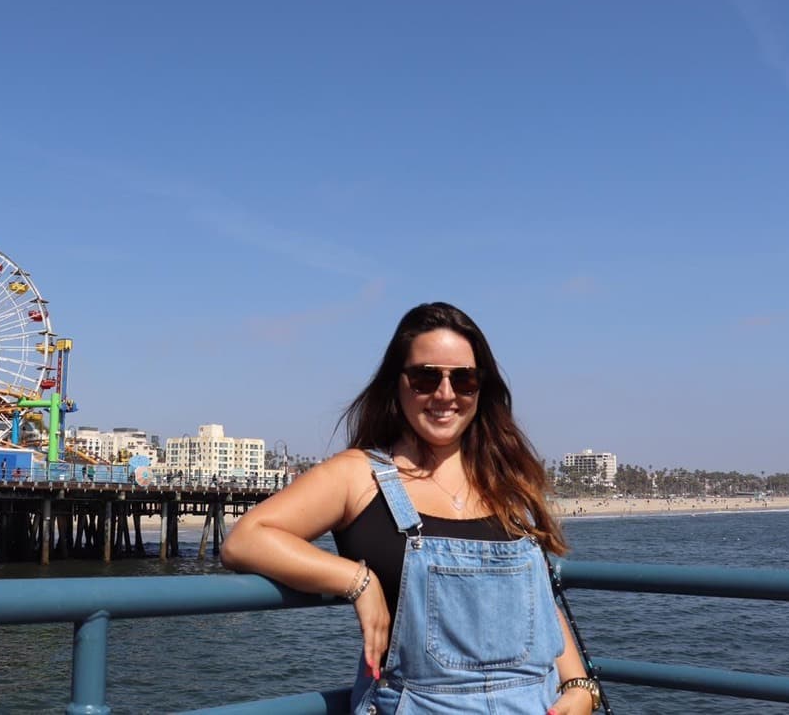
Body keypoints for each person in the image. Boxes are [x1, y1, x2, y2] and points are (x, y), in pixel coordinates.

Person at [222, 302, 601, 715]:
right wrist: (356, 580)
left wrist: (579, 686)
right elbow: (246, 539)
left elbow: (540, 603)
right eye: (425, 377)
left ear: (482, 388)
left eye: (464, 379)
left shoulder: (506, 483)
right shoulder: (358, 476)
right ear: (396, 384)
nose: (445, 394)